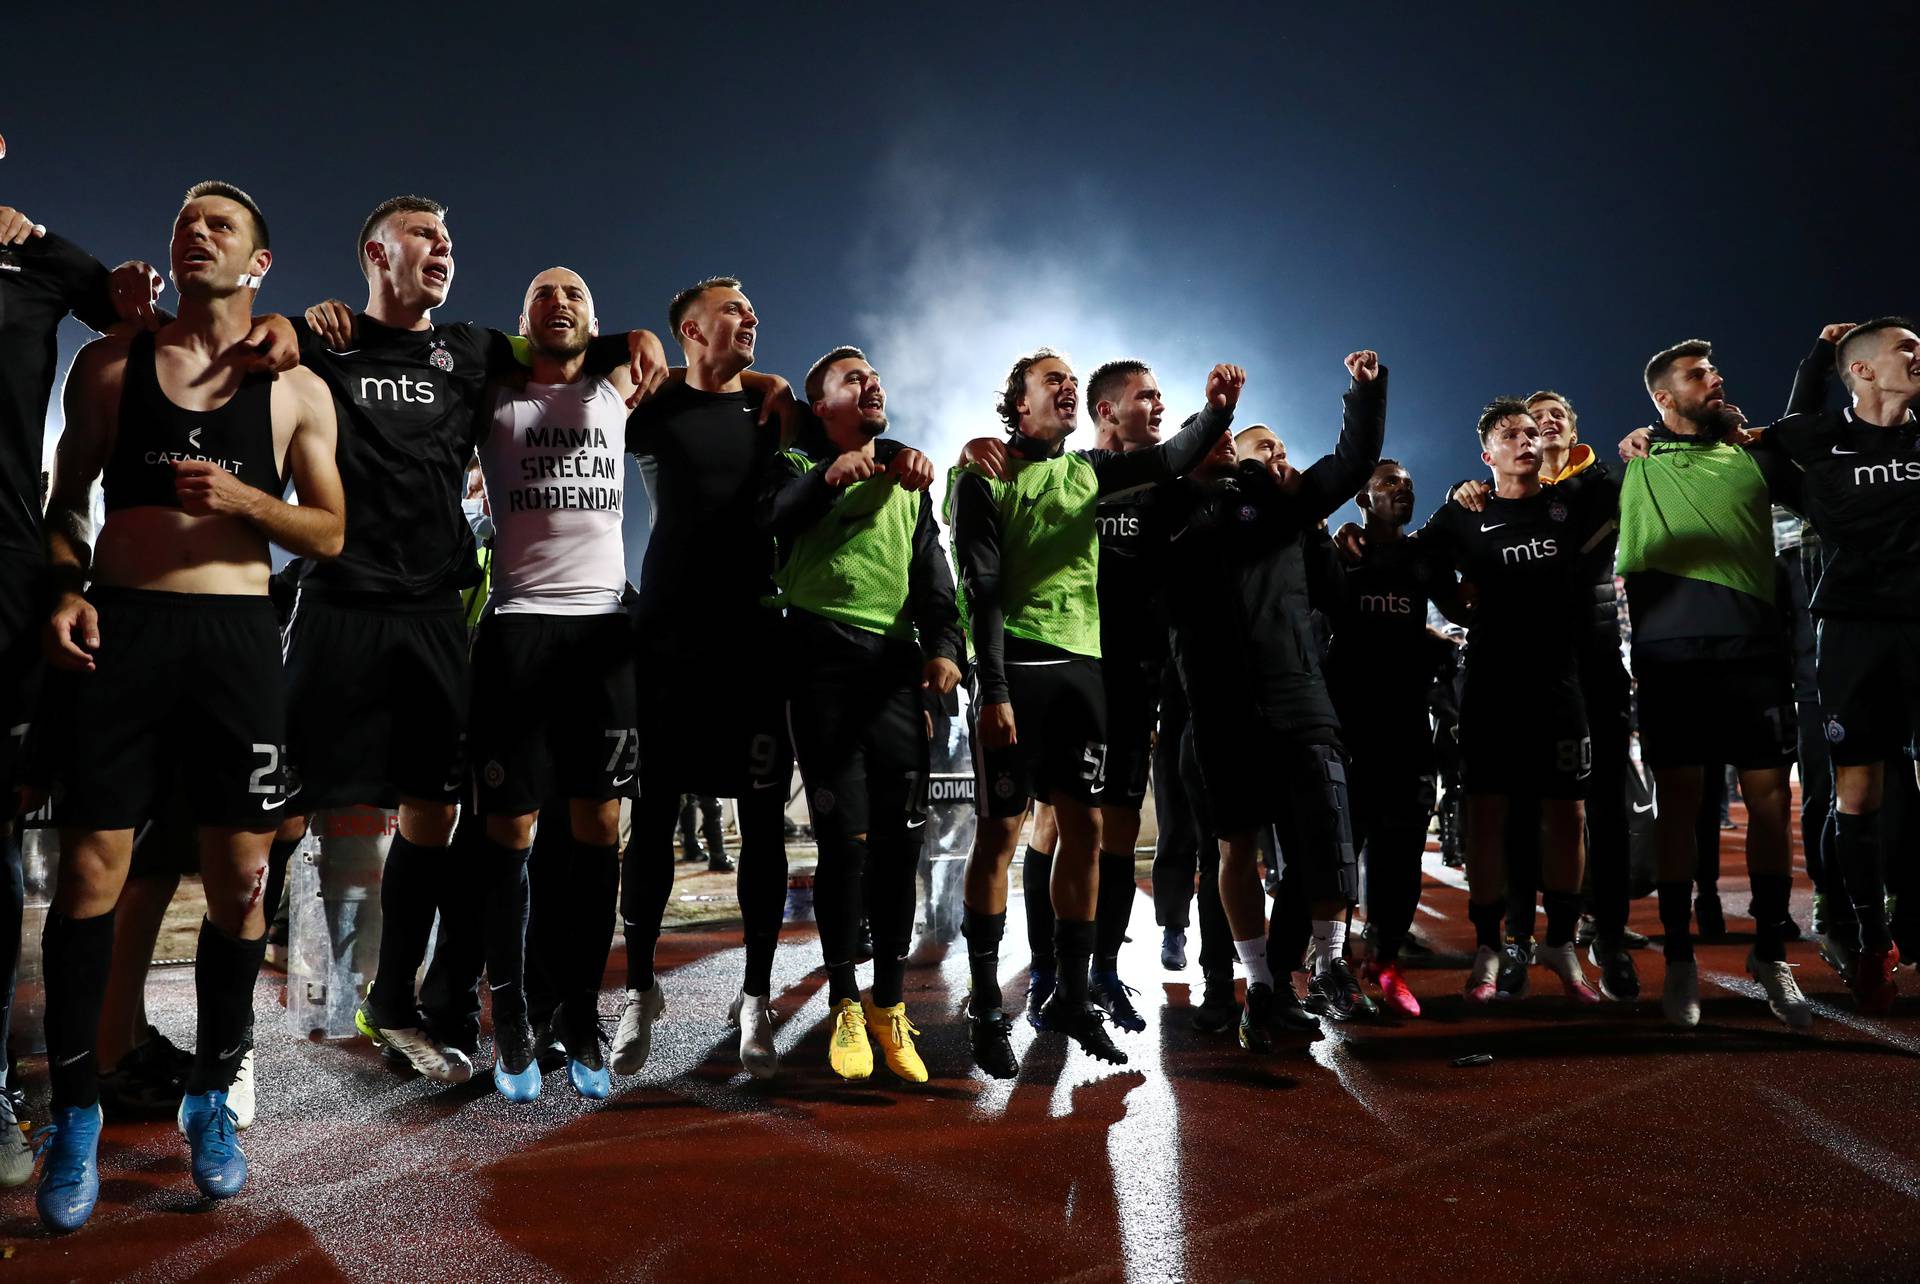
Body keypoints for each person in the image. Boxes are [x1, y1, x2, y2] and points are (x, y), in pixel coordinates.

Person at [260, 196, 663, 1080]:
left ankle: (397, 1004)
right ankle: (234, 1047)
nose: (445, 248)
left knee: (437, 814)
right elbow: (259, 345)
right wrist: (298, 319)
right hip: (337, 603)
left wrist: (641, 338)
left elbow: (582, 343)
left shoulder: (477, 352)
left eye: (450, 239)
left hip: (438, 615)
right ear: (375, 250)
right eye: (425, 236)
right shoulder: (326, 338)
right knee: (272, 818)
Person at [35, 182, 343, 1229]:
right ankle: (73, 1111)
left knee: (241, 881)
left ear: (260, 263)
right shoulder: (111, 362)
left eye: (221, 225)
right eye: (185, 222)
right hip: (125, 634)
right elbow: (66, 498)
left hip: (234, 642)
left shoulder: (295, 388)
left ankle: (213, 1093)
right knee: (89, 870)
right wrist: (68, 586)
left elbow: (332, 531)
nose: (195, 233)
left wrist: (253, 503)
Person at [948, 351, 1242, 1077]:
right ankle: (987, 1008)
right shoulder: (982, 474)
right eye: (1054, 381)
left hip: (1086, 674)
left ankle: (1073, 996)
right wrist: (993, 691)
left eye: (1073, 382)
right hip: (1017, 667)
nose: (1067, 388)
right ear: (1017, 403)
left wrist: (1219, 412)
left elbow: (1172, 456)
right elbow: (981, 591)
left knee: (1082, 829)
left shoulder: (1091, 472)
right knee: (1000, 836)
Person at [610, 277, 814, 1080]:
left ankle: (756, 995)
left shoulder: (775, 411)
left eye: (753, 309)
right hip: (666, 641)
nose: (752, 317)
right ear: (692, 329)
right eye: (734, 309)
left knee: (762, 820)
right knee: (652, 819)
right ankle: (639, 991)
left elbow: (840, 433)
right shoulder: (650, 412)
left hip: (753, 639)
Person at [1154, 354, 1386, 1048]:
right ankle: (1246, 984)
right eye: (1256, 446)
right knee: (1233, 852)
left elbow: (1351, 463)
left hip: (1297, 695)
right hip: (1219, 707)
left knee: (1324, 844)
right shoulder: (1171, 513)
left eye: (1276, 448)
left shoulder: (1286, 507)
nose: (1271, 456)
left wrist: (1366, 393)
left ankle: (1319, 968)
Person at [468, 267, 645, 1102]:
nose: (561, 302)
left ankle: (579, 1012)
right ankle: (508, 1013)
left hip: (605, 632)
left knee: (600, 824)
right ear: (522, 320)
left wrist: (634, 342)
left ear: (597, 317)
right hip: (518, 628)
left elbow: (725, 378)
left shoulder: (618, 387)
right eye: (542, 294)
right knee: (511, 834)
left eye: (576, 292)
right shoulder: (495, 393)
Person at [761, 345, 961, 1082]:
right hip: (819, 665)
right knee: (846, 843)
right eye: (853, 379)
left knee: (902, 850)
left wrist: (944, 650)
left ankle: (888, 1003)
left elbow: (937, 588)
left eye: (875, 377)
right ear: (823, 408)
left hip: (893, 677)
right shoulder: (792, 466)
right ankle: (844, 999)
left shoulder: (911, 480)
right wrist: (824, 477)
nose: (871, 383)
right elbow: (768, 522)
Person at [1615, 340, 1809, 1028]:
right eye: (1698, 374)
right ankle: (1679, 962)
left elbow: (1822, 471)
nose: (1715, 378)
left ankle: (1768, 951)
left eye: (1714, 369)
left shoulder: (1757, 455)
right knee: (1681, 804)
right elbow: (1555, 474)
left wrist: (1808, 369)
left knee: (1767, 804)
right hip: (1671, 655)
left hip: (1753, 646)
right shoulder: (1634, 461)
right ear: (1664, 398)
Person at [1739, 319, 1920, 1012]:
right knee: (1858, 793)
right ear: (1864, 371)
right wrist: (1816, 353)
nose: (1918, 356)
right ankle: (1870, 938)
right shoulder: (1818, 440)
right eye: (1906, 348)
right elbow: (1780, 425)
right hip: (1851, 629)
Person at [1415, 399, 1614, 1009]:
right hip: (1492, 686)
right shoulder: (1463, 514)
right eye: (1512, 434)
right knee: (1488, 817)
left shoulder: (1571, 503)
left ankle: (1560, 942)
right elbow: (1417, 562)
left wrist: (1629, 447)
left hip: (1559, 680)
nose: (1527, 439)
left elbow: (1612, 495)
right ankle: (1490, 944)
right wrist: (1454, 605)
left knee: (1567, 816)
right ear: (1487, 455)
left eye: (1532, 431)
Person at [1021, 358, 1186, 1036]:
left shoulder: (1165, 486)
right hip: (1068, 671)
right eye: (1147, 396)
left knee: (1118, 830)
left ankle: (1102, 974)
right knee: (1056, 824)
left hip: (1134, 681)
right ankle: (1044, 972)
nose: (1160, 407)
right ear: (1106, 409)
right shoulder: (1073, 472)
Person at [1323, 459, 1455, 1016]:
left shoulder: (1422, 557)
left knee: (1401, 852)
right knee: (1338, 853)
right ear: (1362, 498)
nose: (1402, 489)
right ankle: (1327, 962)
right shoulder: (1338, 555)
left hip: (1406, 727)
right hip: (1347, 727)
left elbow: (1463, 607)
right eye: (1388, 483)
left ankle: (1384, 958)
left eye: (1407, 483)